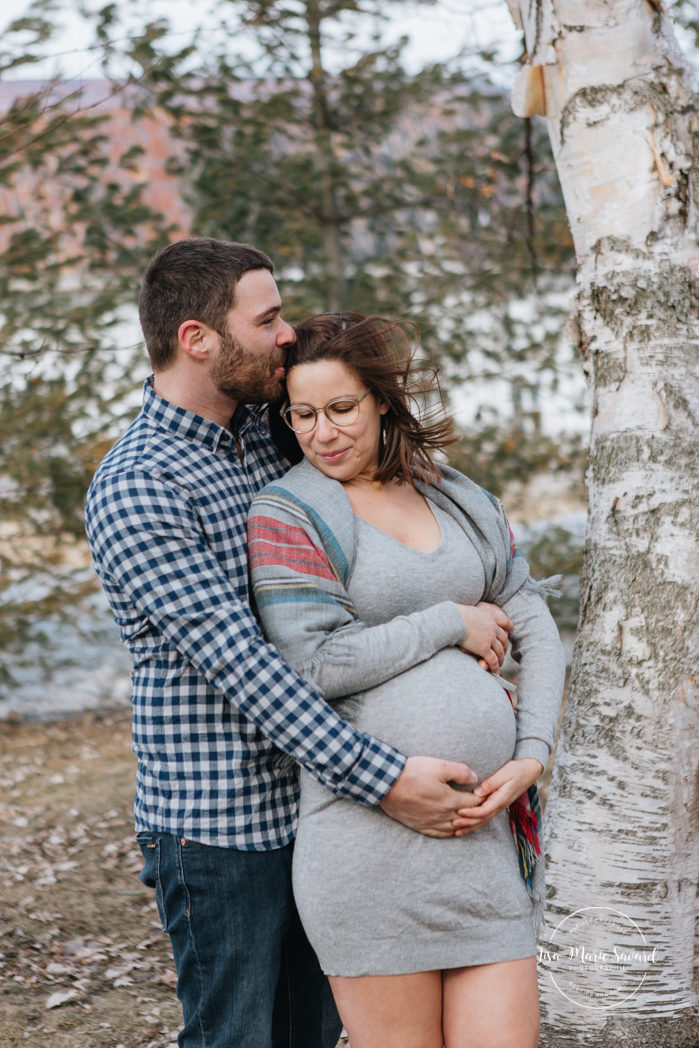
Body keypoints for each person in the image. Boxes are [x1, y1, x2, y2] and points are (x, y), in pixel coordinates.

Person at [83, 238, 512, 1048]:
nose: (286, 334)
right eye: (268, 317)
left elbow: (364, 570)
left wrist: (461, 643)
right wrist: (385, 778)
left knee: (315, 1036)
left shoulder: (271, 433)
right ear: (197, 340)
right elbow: (248, 667)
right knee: (238, 1038)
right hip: (222, 827)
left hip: (320, 814)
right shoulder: (142, 484)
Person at [247, 312, 567, 1048]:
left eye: (340, 409)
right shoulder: (289, 511)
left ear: (382, 402)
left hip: (483, 849)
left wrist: (530, 755)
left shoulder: (454, 493)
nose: (321, 432)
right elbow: (313, 666)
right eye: (301, 415)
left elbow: (535, 625)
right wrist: (451, 621)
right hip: (369, 851)